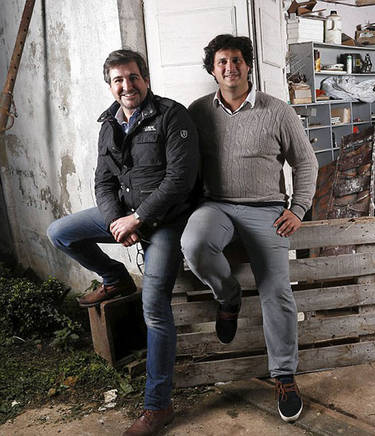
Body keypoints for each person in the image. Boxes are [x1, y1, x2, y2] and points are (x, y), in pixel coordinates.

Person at [47, 49, 199, 436]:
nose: (126, 86)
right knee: (60, 232)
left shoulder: (171, 115)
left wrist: (139, 218)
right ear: (110, 84)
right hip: (124, 214)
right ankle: (115, 276)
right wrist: (117, 219)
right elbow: (103, 181)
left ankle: (157, 406)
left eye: (133, 77)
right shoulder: (108, 124)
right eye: (118, 79)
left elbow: (181, 179)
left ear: (145, 79)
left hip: (164, 222)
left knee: (154, 308)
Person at [181, 34, 318, 423]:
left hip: (267, 211)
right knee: (194, 245)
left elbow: (306, 164)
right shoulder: (198, 112)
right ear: (212, 69)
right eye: (222, 61)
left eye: (237, 60)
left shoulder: (278, 111)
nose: (230, 67)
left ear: (248, 65)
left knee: (277, 291)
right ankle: (228, 298)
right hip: (216, 206)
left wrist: (299, 208)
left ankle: (284, 375)